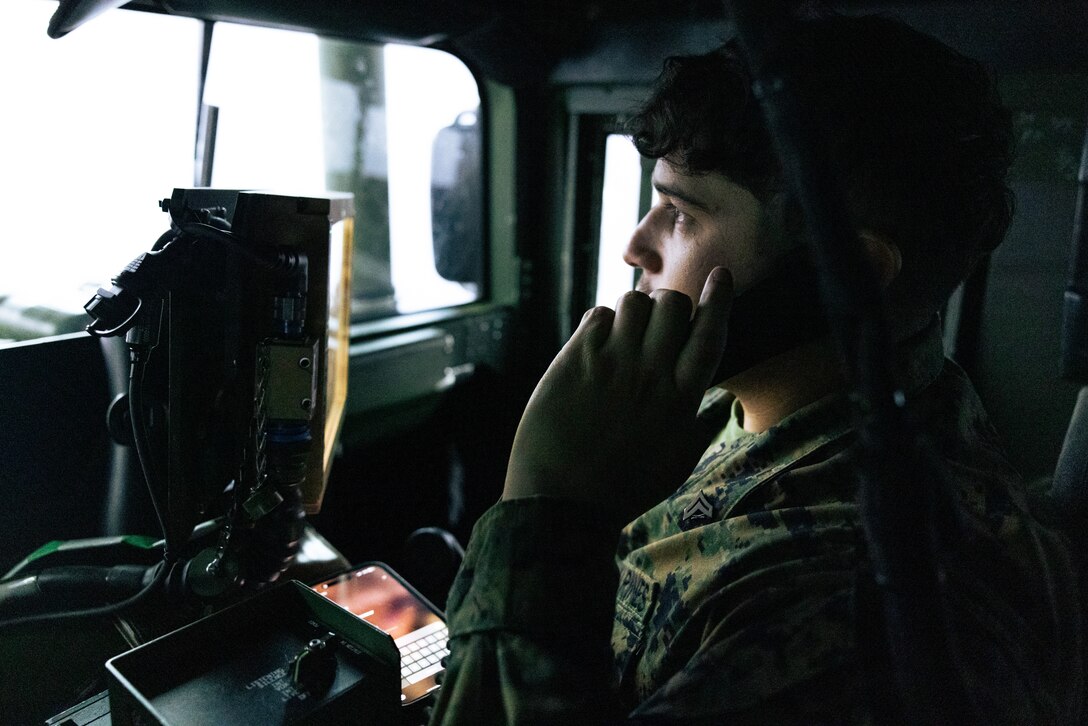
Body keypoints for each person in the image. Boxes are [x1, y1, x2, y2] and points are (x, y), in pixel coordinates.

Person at [428, 12, 1083, 724]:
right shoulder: (718, 406)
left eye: (680, 215)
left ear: (844, 277)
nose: (634, 248)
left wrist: (542, 516)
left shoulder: (855, 621)